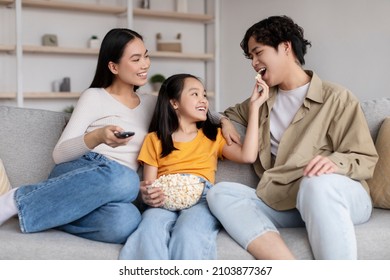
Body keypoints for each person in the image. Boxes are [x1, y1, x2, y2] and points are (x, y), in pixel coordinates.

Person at [206, 15, 378, 260]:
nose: (254, 63)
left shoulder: (336, 97)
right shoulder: (262, 100)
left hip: (340, 195)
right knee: (219, 193)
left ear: (285, 47)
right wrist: (225, 121)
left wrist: (334, 164)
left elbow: (365, 158)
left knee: (316, 182)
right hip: (289, 202)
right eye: (250, 58)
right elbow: (223, 114)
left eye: (258, 53)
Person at [0, 28, 157, 243]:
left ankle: (54, 210)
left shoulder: (152, 103)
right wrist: (98, 136)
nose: (145, 64)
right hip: (81, 169)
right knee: (125, 179)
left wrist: (222, 120)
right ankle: (14, 200)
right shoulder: (94, 97)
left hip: (114, 190)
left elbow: (188, 119)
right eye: (136, 59)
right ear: (113, 66)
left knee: (126, 221)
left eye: (146, 56)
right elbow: (60, 155)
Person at [119, 73, 268, 259]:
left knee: (189, 233)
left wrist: (254, 108)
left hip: (202, 200)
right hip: (164, 200)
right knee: (149, 229)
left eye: (204, 95)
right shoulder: (154, 140)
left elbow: (248, 155)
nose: (203, 100)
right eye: (195, 94)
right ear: (174, 103)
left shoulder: (213, 136)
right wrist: (148, 195)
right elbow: (150, 185)